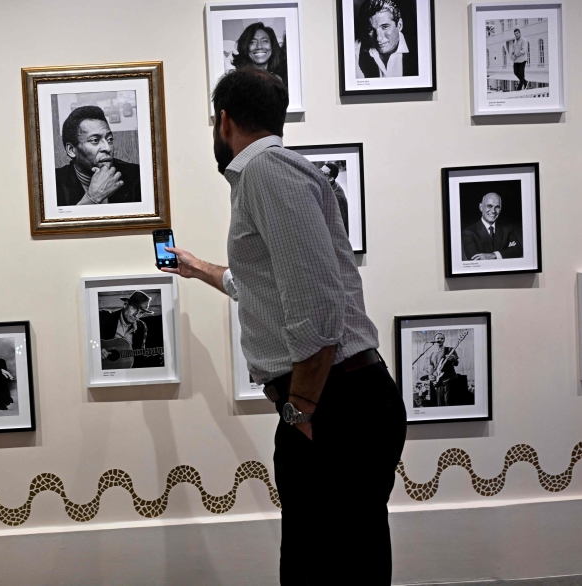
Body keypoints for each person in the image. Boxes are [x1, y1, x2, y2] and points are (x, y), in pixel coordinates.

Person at [160, 67, 406, 584]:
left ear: (223, 121)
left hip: (333, 402)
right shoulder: (276, 173)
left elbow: (316, 308)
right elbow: (269, 285)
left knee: (325, 567)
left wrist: (299, 411)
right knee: (337, 559)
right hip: (339, 397)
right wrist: (196, 267)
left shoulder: (267, 174)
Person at [54, 105, 142, 206]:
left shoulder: (136, 175)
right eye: (95, 140)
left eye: (109, 139)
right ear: (71, 150)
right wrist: (93, 198)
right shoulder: (53, 183)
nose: (108, 148)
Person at [355, 0, 418, 79]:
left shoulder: (419, 51)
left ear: (399, 25)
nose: (378, 38)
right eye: (370, 30)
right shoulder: (355, 52)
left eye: (384, 27)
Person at [98, 291, 161, 369]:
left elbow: (139, 357)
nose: (136, 315)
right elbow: (85, 337)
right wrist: (97, 348)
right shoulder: (104, 317)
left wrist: (158, 358)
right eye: (134, 308)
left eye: (141, 312)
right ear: (125, 304)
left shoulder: (141, 327)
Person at [461, 192, 522, 261]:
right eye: (489, 206)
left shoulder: (507, 229)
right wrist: (507, 251)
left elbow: (518, 250)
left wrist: (493, 255)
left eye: (497, 207)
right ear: (481, 207)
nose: (493, 211)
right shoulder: (468, 233)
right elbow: (476, 260)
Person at [231, 22, 287, 86]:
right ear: (245, 46)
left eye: (264, 41)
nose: (259, 47)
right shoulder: (236, 81)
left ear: (272, 46)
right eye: (252, 42)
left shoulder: (279, 80)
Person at [428, 332, 460, 406]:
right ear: (434, 340)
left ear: (444, 340)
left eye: (442, 338)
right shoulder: (432, 354)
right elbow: (431, 366)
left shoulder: (449, 350)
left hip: (449, 379)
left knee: (448, 402)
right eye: (438, 338)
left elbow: (456, 363)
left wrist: (453, 359)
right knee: (440, 403)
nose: (440, 340)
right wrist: (430, 375)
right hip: (438, 380)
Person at [319, 162, 350, 237]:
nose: (319, 174)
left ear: (330, 178)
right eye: (320, 170)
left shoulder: (336, 197)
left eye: (322, 173)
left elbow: (338, 225)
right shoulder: (330, 185)